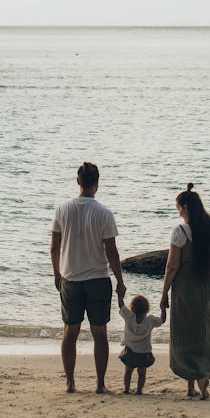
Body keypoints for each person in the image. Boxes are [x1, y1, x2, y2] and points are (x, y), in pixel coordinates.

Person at [50, 161, 126, 394]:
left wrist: (57, 273)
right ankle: (100, 383)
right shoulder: (103, 213)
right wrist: (120, 281)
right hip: (97, 278)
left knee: (70, 331)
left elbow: (54, 246)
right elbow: (111, 252)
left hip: (70, 277)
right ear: (97, 184)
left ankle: (70, 382)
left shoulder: (62, 209)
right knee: (99, 333)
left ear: (78, 182)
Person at [159, 183, 210, 399]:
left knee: (185, 332)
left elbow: (172, 266)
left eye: (178, 207)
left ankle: (189, 386)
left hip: (185, 287)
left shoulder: (180, 232)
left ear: (185, 207)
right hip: (207, 285)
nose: (178, 211)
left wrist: (164, 292)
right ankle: (203, 377)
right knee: (205, 331)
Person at [117, 292, 165, 395]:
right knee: (142, 373)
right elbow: (162, 320)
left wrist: (119, 294)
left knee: (128, 371)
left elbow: (121, 306)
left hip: (130, 351)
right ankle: (139, 390)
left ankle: (126, 389)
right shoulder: (151, 320)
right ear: (147, 309)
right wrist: (163, 308)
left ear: (132, 307)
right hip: (144, 351)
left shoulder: (129, 317)